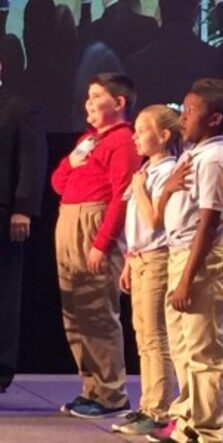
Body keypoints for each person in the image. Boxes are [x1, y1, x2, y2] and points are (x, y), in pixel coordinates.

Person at [148, 79, 223, 443]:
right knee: (182, 345)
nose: (183, 118)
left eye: (192, 111)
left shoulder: (214, 158)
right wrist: (167, 188)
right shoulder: (192, 153)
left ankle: (208, 428)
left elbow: (209, 220)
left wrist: (187, 277)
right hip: (179, 252)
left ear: (215, 119)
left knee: (203, 348)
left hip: (201, 258)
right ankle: (188, 419)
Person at [51, 72, 141, 418]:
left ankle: (111, 392)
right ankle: (91, 387)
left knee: (98, 312)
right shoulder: (89, 140)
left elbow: (122, 195)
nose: (88, 103)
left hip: (94, 224)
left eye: (96, 97)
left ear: (118, 104)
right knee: (76, 310)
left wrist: (103, 243)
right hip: (69, 220)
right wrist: (72, 161)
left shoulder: (122, 141)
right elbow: (59, 183)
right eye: (87, 96)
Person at [111, 104, 181, 435]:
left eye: (142, 131)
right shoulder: (146, 170)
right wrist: (127, 258)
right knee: (143, 336)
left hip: (157, 256)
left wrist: (138, 187)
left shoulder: (167, 171)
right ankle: (146, 405)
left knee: (156, 336)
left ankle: (159, 409)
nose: (136, 137)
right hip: (139, 258)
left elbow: (155, 220)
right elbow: (133, 223)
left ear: (164, 135)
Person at [0, 60, 47, 393]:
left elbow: (32, 158)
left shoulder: (17, 108)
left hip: (4, 214)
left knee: (3, 293)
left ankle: (1, 371)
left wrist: (23, 208)